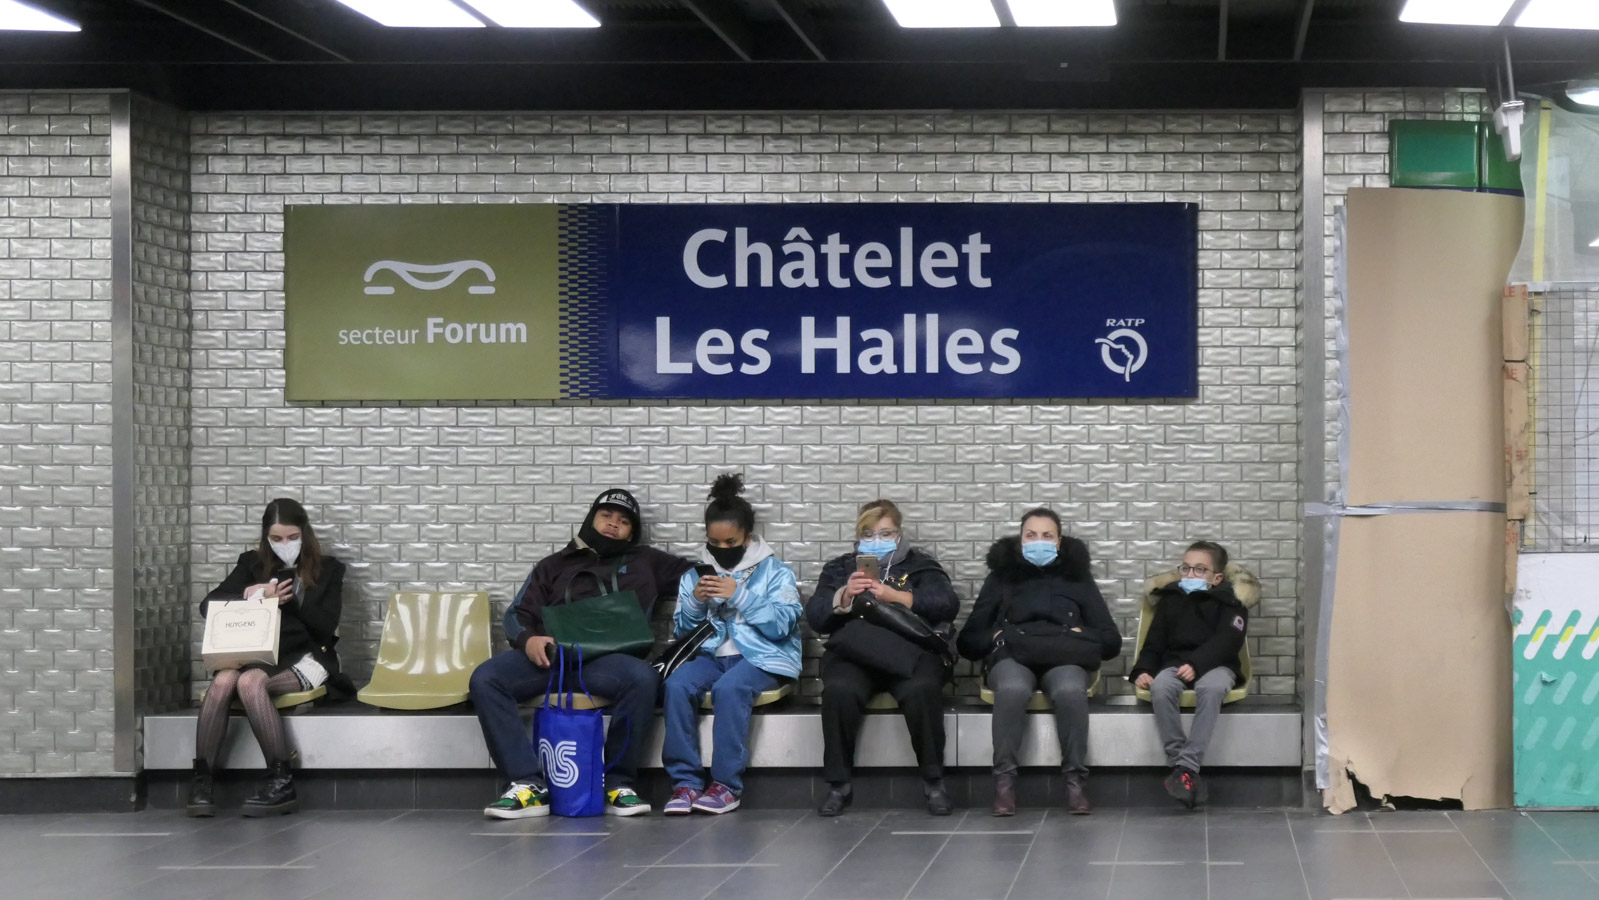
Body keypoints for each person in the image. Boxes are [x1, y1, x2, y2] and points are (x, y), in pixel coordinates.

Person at [471, 488, 693, 819]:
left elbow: (699, 572)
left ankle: (617, 784)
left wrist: (728, 576)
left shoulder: (647, 562)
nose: (613, 524)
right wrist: (529, 640)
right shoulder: (554, 565)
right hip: (552, 660)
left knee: (643, 678)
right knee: (486, 678)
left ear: (633, 532)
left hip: (607, 663)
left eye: (624, 521)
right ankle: (527, 784)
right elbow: (516, 615)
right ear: (591, 519)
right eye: (606, 516)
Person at [957, 508, 1121, 816]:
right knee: (1013, 689)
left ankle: (1075, 782)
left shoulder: (1077, 578)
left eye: (1047, 536)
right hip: (1012, 657)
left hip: (1064, 657)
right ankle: (1004, 783)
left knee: (1070, 691)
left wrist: (1079, 633)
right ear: (1020, 540)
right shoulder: (1002, 577)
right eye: (1031, 536)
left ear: (1059, 542)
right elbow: (967, 642)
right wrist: (997, 635)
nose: (1039, 542)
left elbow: (1111, 642)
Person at [190, 497, 345, 818]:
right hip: (261, 655)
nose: (285, 544)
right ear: (266, 537)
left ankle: (280, 779)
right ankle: (202, 779)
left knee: (249, 682)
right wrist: (255, 594)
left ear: (305, 533)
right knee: (223, 681)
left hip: (307, 656)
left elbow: (324, 626)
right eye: (276, 538)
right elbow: (209, 605)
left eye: (292, 537)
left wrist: (288, 601)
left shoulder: (329, 569)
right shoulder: (251, 564)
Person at [806, 499, 960, 817]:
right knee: (839, 691)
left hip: (911, 652)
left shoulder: (921, 565)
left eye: (885, 533)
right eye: (868, 533)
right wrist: (844, 596)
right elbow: (817, 617)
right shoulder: (841, 568)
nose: (877, 540)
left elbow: (946, 603)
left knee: (922, 691)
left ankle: (934, 782)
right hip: (856, 653)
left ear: (899, 534)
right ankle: (838, 785)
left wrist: (897, 597)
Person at [661, 474, 802, 815]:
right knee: (676, 685)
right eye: (715, 542)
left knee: (729, 688)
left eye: (731, 542)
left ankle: (726, 785)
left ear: (747, 537)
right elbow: (683, 631)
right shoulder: (695, 574)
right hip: (712, 657)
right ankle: (686, 783)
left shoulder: (775, 572)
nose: (722, 549)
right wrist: (695, 602)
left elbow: (782, 625)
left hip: (764, 658)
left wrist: (739, 595)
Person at [1130, 540, 1249, 809]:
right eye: (1186, 568)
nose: (1190, 574)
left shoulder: (1232, 601)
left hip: (1218, 665)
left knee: (1212, 688)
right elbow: (1154, 642)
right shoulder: (1171, 599)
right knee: (1161, 686)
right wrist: (1143, 670)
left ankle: (1186, 766)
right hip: (1175, 663)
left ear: (1217, 578)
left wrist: (1197, 663)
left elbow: (1228, 641)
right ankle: (1181, 767)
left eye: (1200, 570)